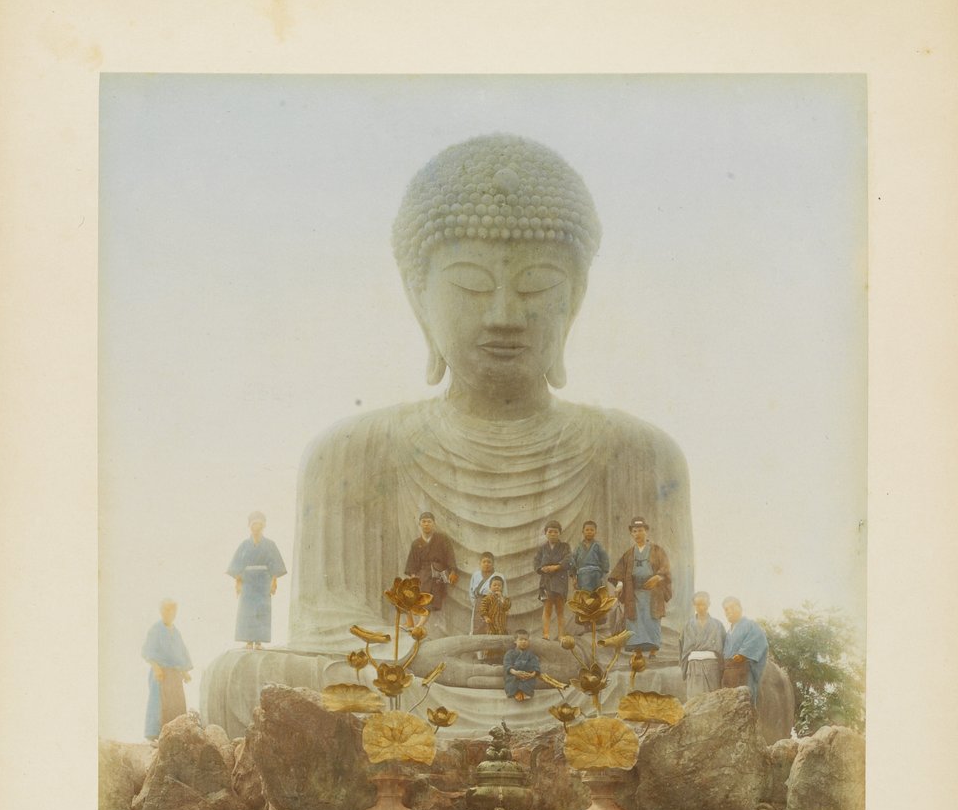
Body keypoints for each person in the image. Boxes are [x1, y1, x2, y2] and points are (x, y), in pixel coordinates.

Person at [289, 134, 692, 653]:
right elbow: (323, 635)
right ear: (419, 299)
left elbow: (670, 629)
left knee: (731, 683)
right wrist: (431, 657)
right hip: (421, 679)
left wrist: (575, 657)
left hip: (573, 676)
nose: (504, 316)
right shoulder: (347, 456)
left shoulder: (643, 456)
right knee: (244, 676)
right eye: (471, 285)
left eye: (536, 285)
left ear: (575, 301)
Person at [608, 517, 672, 654]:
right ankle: (637, 652)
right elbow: (620, 572)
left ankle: (653, 651)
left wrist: (658, 577)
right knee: (634, 621)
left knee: (651, 620)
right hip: (634, 593)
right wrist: (619, 584)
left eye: (641, 530)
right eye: (635, 531)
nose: (638, 534)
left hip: (652, 593)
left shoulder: (656, 550)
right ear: (631, 533)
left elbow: (665, 569)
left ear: (646, 531)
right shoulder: (629, 553)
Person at [226, 512, 287, 649]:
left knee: (262, 609)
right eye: (254, 524)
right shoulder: (244, 545)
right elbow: (237, 564)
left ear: (263, 526)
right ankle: (248, 641)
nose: (256, 527)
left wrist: (274, 581)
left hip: (263, 580)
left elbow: (275, 564)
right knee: (247, 610)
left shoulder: (270, 544)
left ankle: (259, 641)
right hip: (248, 581)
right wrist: (238, 581)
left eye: (259, 524)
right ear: (249, 526)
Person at [142, 599, 193, 742]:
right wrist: (156, 668)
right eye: (165, 610)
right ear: (161, 611)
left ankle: (175, 738)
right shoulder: (155, 629)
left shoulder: (176, 632)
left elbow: (180, 653)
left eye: (171, 610)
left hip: (175, 675)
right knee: (159, 705)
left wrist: (185, 672)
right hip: (161, 674)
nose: (168, 613)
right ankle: (154, 738)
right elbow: (148, 651)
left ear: (175, 613)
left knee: (176, 704)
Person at [404, 511, 458, 629]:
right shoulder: (416, 543)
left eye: (429, 522)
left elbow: (450, 555)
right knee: (407, 596)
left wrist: (453, 571)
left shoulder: (442, 539)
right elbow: (412, 564)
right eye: (424, 522)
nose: (426, 524)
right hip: (422, 575)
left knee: (428, 600)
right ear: (419, 524)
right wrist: (413, 578)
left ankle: (418, 626)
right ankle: (410, 622)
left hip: (437, 575)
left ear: (434, 524)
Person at [722, 596, 769, 706]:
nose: (729, 611)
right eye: (726, 609)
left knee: (745, 704)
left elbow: (759, 639)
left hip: (744, 671)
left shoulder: (750, 625)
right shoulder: (729, 632)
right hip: (729, 673)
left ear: (740, 608)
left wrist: (743, 653)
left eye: (732, 607)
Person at [679, 591, 726, 698]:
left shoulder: (718, 625)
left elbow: (724, 645)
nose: (701, 607)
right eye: (697, 604)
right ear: (694, 605)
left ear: (709, 604)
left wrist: (722, 667)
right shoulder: (687, 625)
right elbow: (682, 647)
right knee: (694, 699)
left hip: (712, 666)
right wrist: (684, 668)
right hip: (694, 666)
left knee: (713, 698)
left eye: (703, 604)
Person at [534, 520, 571, 640]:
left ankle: (561, 635)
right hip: (546, 582)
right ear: (546, 533)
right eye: (550, 532)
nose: (553, 534)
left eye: (556, 532)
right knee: (547, 608)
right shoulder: (542, 549)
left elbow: (569, 559)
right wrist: (542, 569)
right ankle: (545, 634)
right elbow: (536, 563)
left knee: (560, 609)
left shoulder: (565, 547)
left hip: (560, 582)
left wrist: (556, 567)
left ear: (560, 533)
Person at [569, 520, 611, 596]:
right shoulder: (578, 547)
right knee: (584, 599)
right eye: (587, 530)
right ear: (583, 531)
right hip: (582, 577)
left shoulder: (598, 546)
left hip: (596, 576)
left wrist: (603, 578)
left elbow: (605, 561)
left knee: (596, 599)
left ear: (595, 532)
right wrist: (574, 578)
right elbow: (572, 563)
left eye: (592, 530)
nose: (589, 532)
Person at [468, 551, 505, 634]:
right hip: (479, 602)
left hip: (494, 602)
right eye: (484, 562)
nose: (486, 564)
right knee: (478, 626)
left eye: (489, 562)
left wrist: (501, 602)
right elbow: (471, 591)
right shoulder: (476, 575)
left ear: (493, 563)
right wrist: (476, 603)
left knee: (492, 625)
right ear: (480, 563)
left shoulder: (499, 575)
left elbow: (504, 592)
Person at [503, 630, 540, 701]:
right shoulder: (510, 653)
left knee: (529, 681)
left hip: (526, 676)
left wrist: (532, 674)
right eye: (521, 639)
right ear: (515, 641)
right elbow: (507, 665)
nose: (523, 642)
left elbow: (535, 665)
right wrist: (515, 672)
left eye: (526, 640)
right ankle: (517, 692)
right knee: (512, 680)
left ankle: (523, 692)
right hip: (514, 674)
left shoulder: (530, 654)